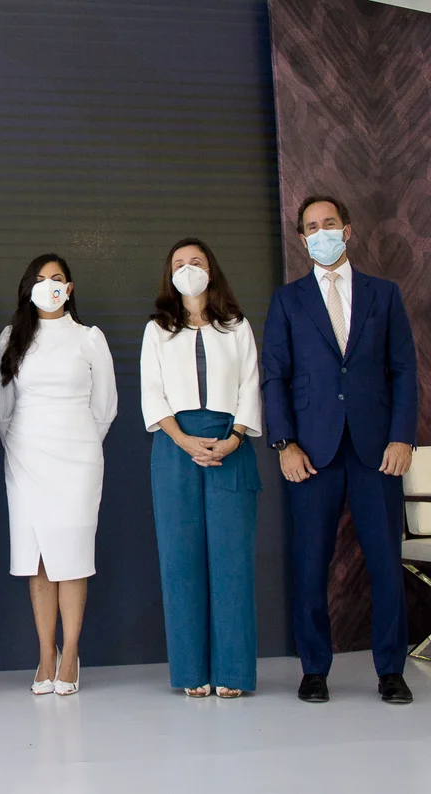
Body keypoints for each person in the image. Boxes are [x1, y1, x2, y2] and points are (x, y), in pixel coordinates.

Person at [262, 196, 418, 705]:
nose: (321, 232)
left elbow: (404, 370)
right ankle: (314, 670)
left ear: (346, 231)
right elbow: (275, 377)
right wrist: (284, 443)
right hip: (311, 451)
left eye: (329, 223)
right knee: (310, 563)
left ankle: (391, 671)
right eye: (312, 227)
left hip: (378, 449)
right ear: (302, 239)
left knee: (385, 563)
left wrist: (402, 437)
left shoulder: (384, 294)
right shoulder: (287, 301)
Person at [140, 237, 262, 699]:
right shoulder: (157, 329)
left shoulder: (237, 326)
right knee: (181, 561)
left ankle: (232, 672)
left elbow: (250, 385)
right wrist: (183, 439)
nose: (188, 268)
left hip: (230, 445)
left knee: (232, 561)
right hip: (176, 449)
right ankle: (192, 671)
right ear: (168, 274)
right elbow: (152, 392)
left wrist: (233, 439)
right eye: (179, 263)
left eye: (196, 261)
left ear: (211, 270)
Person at [0, 254, 116, 696]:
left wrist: (80, 442)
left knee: (72, 556)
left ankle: (70, 655)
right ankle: (45, 655)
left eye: (57, 278)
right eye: (41, 279)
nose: (49, 285)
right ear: (28, 287)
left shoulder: (89, 338)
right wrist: (21, 445)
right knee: (40, 559)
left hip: (78, 458)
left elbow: (105, 408)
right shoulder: (11, 338)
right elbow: (2, 409)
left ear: (69, 288)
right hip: (25, 458)